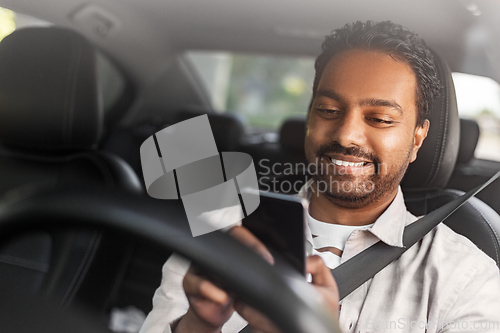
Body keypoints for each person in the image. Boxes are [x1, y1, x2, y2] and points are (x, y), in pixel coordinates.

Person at [139, 21, 500, 333]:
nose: (346, 135)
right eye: (328, 110)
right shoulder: (222, 233)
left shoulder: (465, 277)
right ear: (310, 116)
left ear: (418, 137)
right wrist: (198, 325)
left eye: (379, 119)